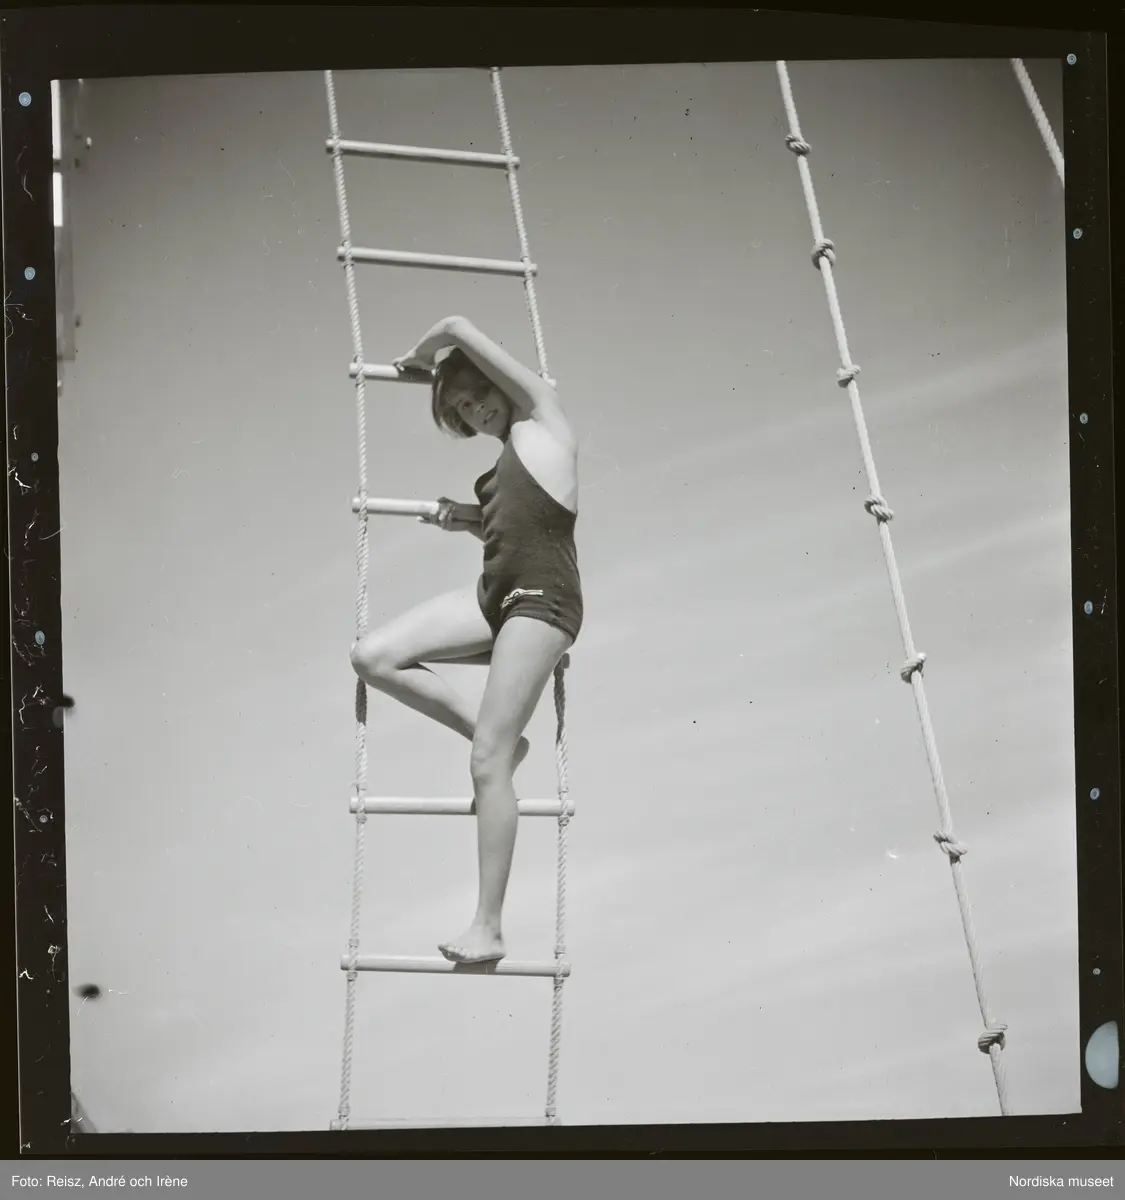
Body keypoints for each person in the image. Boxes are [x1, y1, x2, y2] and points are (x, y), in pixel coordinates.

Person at [350, 315, 581, 965]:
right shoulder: (511, 457)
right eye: (461, 409)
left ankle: (489, 928)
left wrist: (428, 350)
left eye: (478, 395)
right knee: (373, 656)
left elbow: (456, 323)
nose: (475, 411)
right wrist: (468, 520)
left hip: (540, 601)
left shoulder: (544, 423)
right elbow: (520, 525)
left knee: (485, 764)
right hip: (495, 597)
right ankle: (502, 742)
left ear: (499, 384)